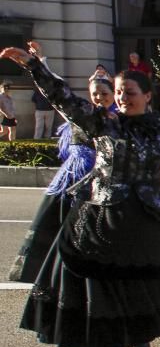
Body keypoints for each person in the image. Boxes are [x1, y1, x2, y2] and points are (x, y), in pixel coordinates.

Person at [1, 42, 160, 347]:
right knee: (103, 283)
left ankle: (141, 336)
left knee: (143, 282)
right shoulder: (102, 123)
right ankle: (109, 345)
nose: (121, 97)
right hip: (102, 214)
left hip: (147, 217)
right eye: (118, 91)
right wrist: (35, 67)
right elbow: (63, 99)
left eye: (128, 91)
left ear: (147, 96)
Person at [9, 74, 115, 284]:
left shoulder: (118, 118)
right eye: (95, 93)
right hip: (70, 176)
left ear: (113, 94)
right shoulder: (81, 112)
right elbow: (57, 95)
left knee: (91, 228)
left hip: (97, 177)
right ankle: (45, 272)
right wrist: (38, 64)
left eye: (104, 94)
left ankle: (90, 274)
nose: (99, 97)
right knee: (53, 222)